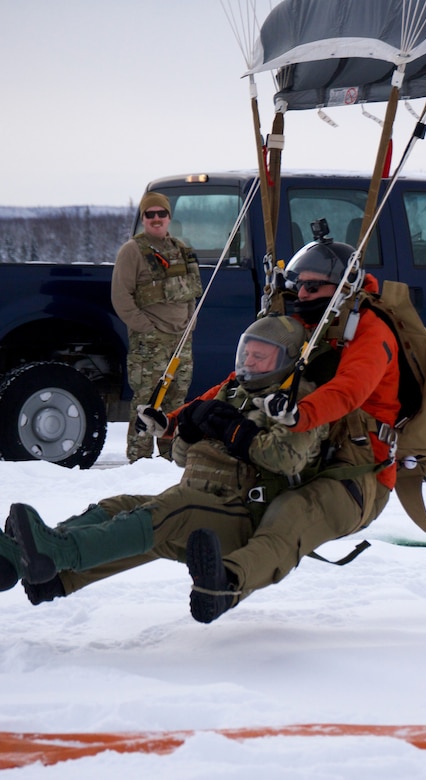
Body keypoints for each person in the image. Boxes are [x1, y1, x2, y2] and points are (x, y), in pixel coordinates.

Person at [0, 231, 401, 625]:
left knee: (288, 514)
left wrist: (291, 417)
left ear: (342, 286)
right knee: (127, 508)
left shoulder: (363, 333)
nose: (303, 295)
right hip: (256, 476)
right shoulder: (294, 340)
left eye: (315, 287)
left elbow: (347, 391)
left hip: (357, 472)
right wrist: (178, 423)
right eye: (300, 287)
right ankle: (42, 565)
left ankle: (225, 582)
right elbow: (226, 390)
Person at [0, 315, 329, 620]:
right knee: (121, 507)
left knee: (169, 511)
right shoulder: (234, 391)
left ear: (286, 359)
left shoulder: (297, 400)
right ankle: (41, 571)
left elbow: (287, 459)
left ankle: (59, 552)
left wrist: (235, 432)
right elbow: (185, 458)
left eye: (261, 357)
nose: (249, 363)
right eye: (247, 355)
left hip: (243, 513)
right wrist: (189, 431)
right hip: (202, 496)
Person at [111, 192, 202, 463]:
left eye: (161, 214)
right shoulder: (132, 251)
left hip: (180, 340)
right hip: (150, 342)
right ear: (143, 218)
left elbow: (191, 292)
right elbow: (121, 297)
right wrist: (146, 328)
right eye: (150, 214)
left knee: (176, 403)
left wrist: (189, 324)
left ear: (169, 217)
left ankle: (170, 461)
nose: (156, 219)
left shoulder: (180, 249)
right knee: (146, 402)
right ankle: (139, 463)